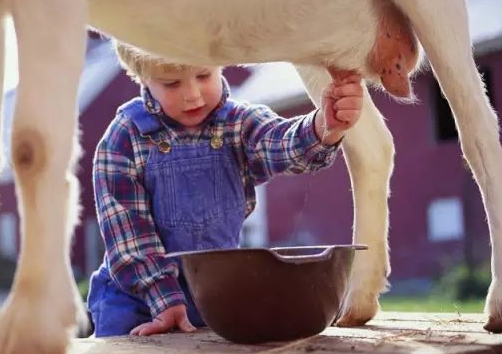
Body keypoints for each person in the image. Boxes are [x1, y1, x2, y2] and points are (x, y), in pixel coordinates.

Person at [86, 41, 365, 338]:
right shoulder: (123, 139)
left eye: (204, 76)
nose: (192, 95)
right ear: (143, 78)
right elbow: (129, 238)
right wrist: (164, 300)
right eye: (171, 84)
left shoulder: (239, 124)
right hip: (136, 295)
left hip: (213, 293)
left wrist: (325, 126)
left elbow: (280, 143)